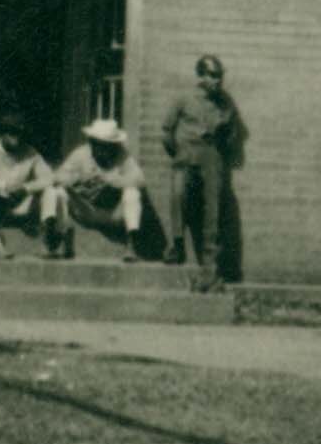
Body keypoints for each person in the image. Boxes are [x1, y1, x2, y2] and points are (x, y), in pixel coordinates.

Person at [160, 55, 246, 292]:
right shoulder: (183, 98)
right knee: (178, 195)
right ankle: (176, 245)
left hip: (212, 158)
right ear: (200, 76)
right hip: (185, 155)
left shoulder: (225, 103)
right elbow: (167, 130)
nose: (217, 81)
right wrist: (177, 153)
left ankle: (211, 263)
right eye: (212, 76)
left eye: (220, 76)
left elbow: (234, 133)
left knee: (213, 209)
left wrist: (224, 134)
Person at [44, 117, 149, 259]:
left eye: (106, 145)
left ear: (113, 145)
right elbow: (58, 176)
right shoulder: (81, 153)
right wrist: (76, 179)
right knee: (56, 192)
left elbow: (140, 180)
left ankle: (131, 245)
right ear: (91, 142)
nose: (100, 149)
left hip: (112, 214)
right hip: (86, 209)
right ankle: (56, 239)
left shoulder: (122, 156)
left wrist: (113, 181)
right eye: (96, 144)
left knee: (132, 193)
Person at [0, 118, 52, 259]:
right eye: (11, 133)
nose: (16, 137)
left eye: (19, 133)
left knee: (52, 192)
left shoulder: (31, 153)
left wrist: (26, 188)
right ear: (3, 133)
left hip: (20, 202)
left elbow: (49, 178)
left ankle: (47, 241)